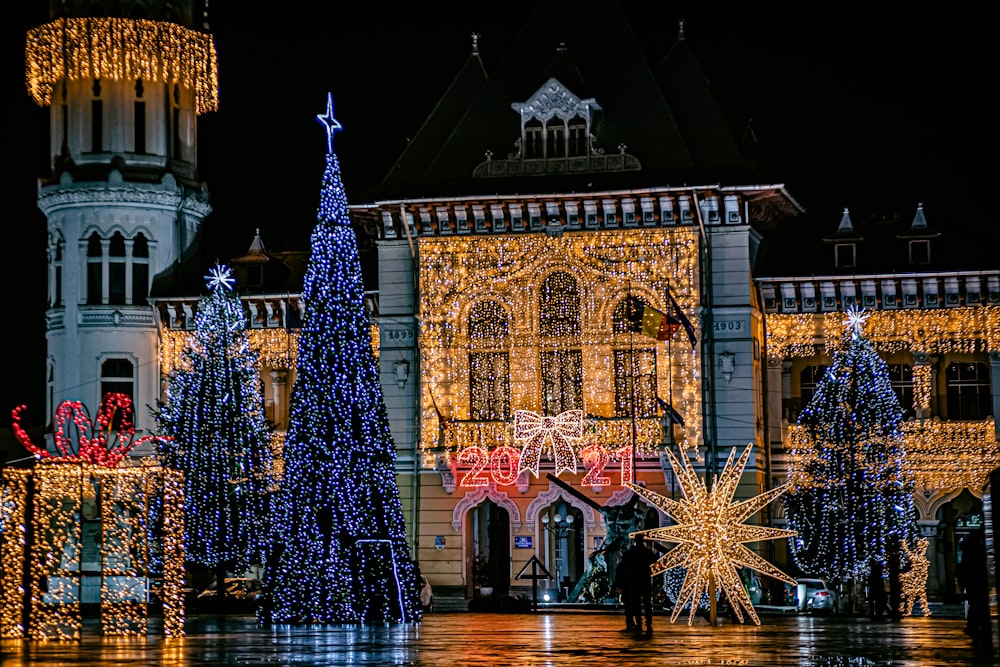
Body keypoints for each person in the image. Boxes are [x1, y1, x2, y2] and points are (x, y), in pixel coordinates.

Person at [616, 533, 658, 633]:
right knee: (647, 604)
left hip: (634, 580)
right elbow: (653, 560)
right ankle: (648, 624)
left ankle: (639, 624)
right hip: (645, 580)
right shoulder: (646, 552)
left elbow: (623, 564)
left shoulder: (631, 552)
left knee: (637, 604)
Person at [957, 531, 991, 648]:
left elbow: (962, 568)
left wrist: (962, 582)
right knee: (980, 607)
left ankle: (974, 629)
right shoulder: (980, 551)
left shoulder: (967, 552)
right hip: (979, 583)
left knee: (975, 606)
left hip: (972, 583)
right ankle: (979, 630)